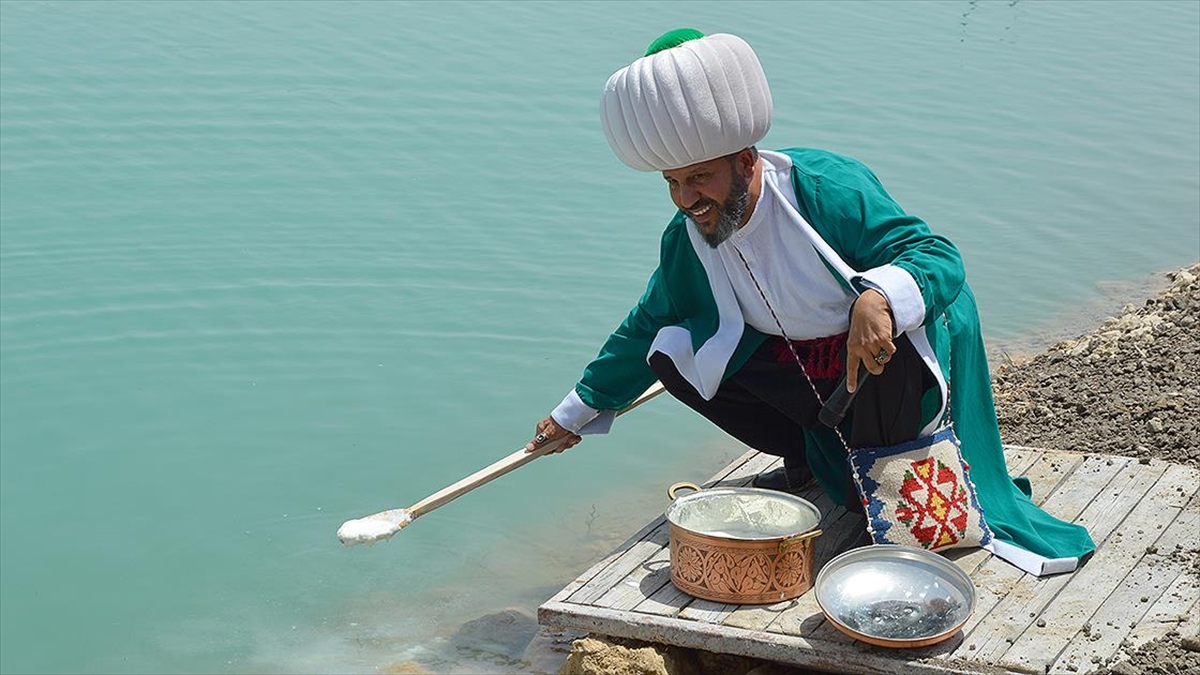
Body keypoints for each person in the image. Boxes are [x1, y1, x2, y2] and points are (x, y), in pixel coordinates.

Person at [524, 29, 1095, 575]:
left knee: (891, 495)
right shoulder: (687, 240)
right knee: (669, 351)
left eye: (699, 178)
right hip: (805, 359)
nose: (686, 199)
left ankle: (871, 462)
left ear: (746, 161)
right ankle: (807, 454)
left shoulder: (825, 188)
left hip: (882, 350)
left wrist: (881, 297)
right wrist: (573, 414)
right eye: (672, 182)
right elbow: (643, 323)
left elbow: (937, 255)